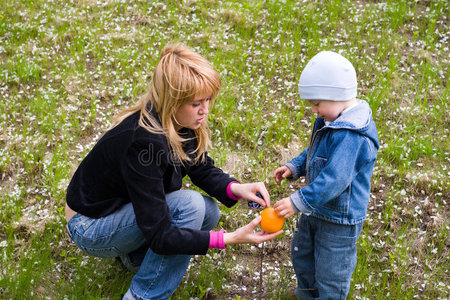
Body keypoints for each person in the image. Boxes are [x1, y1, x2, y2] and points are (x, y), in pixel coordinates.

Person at [64, 43, 282, 300]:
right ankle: (143, 295)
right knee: (189, 207)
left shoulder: (178, 121)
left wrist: (236, 188)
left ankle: (136, 258)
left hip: (120, 210)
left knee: (207, 211)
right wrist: (229, 238)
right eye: (196, 103)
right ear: (172, 100)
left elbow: (200, 167)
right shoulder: (143, 143)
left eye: (208, 100)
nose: (206, 110)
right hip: (90, 225)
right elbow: (160, 235)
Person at [272, 51, 379, 299]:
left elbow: (335, 179)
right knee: (304, 259)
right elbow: (317, 149)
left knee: (332, 274)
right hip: (316, 211)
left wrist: (296, 201)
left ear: (337, 96)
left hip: (339, 222)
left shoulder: (353, 136)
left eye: (317, 104)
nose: (313, 110)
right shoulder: (332, 119)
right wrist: (296, 166)